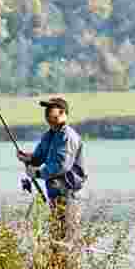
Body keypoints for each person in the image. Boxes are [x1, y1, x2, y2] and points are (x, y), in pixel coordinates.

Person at [17, 96, 87, 243]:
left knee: (66, 239)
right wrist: (28, 158)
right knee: (56, 237)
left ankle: (66, 265)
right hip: (55, 195)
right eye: (46, 108)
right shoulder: (49, 135)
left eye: (51, 108)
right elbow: (39, 156)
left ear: (62, 113)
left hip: (68, 194)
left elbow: (61, 165)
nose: (47, 111)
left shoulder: (68, 136)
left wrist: (37, 173)